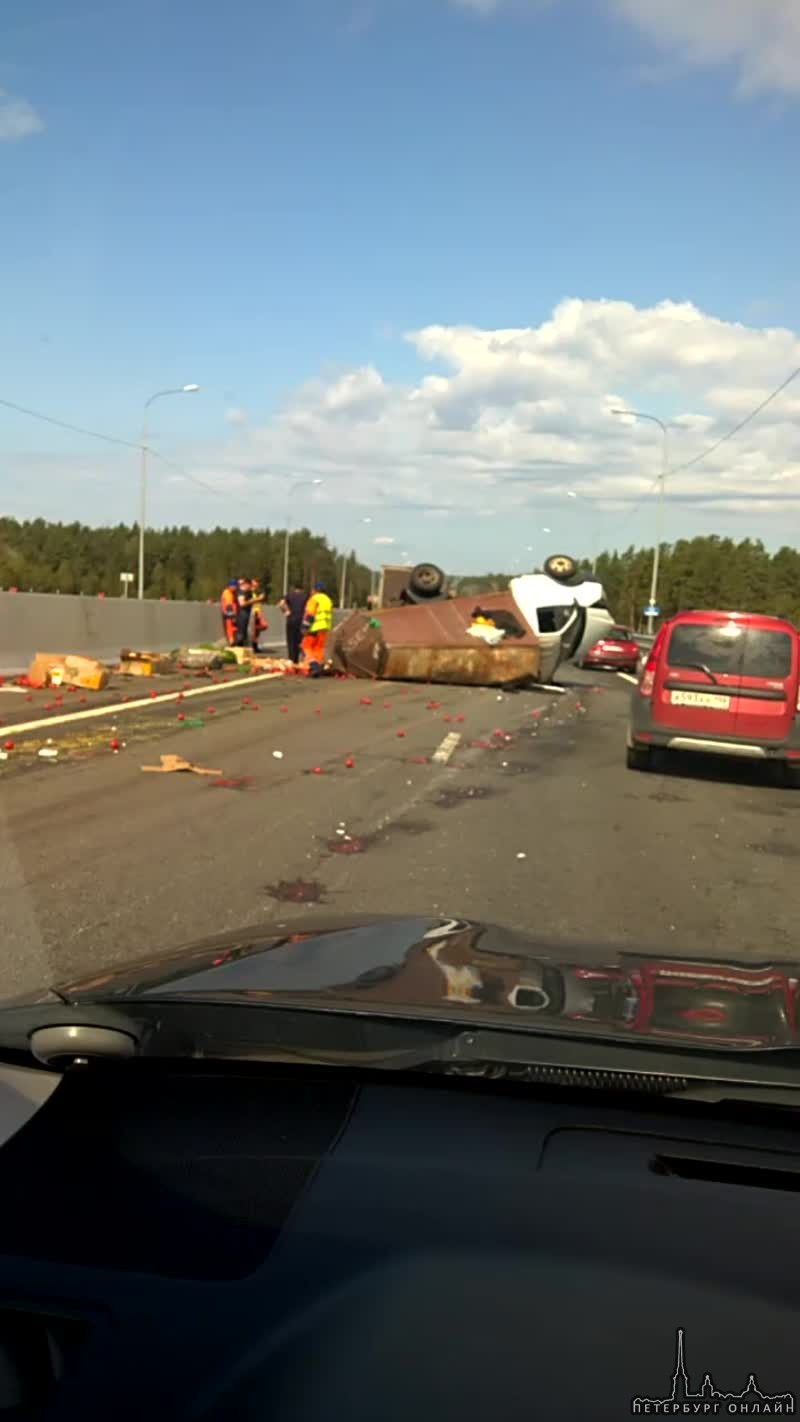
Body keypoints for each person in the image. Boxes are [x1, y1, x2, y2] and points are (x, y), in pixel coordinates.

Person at [301, 581, 334, 677]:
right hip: (324, 628)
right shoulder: (328, 600)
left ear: (315, 590)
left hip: (314, 627)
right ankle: (318, 667)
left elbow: (310, 614)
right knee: (318, 649)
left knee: (305, 647)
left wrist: (304, 627)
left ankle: (314, 665)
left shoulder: (314, 599)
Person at [279, 582, 307, 664]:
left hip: (291, 620)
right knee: (301, 640)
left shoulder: (289, 595)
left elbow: (281, 604)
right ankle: (303, 659)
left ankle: (292, 660)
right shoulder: (306, 596)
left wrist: (286, 611)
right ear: (302, 589)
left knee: (291, 640)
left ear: (294, 588)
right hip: (301, 620)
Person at [249, 579, 268, 654]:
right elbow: (250, 601)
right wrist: (259, 598)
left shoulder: (255, 592)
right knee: (254, 630)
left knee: (262, 626)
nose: (256, 585)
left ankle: (255, 644)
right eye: (255, 584)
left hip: (258, 611)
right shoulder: (249, 592)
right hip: (253, 612)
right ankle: (253, 646)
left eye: (257, 584)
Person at [235, 578, 253, 647]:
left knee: (244, 632)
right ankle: (238, 647)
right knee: (241, 633)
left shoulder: (247, 592)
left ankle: (242, 647)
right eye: (249, 586)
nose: (250, 587)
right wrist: (252, 601)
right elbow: (242, 603)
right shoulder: (241, 592)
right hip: (241, 614)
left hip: (246, 613)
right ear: (246, 584)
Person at [221, 580, 239, 645]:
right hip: (228, 613)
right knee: (230, 626)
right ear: (231, 586)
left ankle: (233, 640)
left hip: (231, 612)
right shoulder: (227, 593)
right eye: (236, 586)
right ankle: (232, 641)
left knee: (234, 628)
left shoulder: (232, 593)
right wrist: (233, 616)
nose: (237, 588)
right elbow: (229, 605)